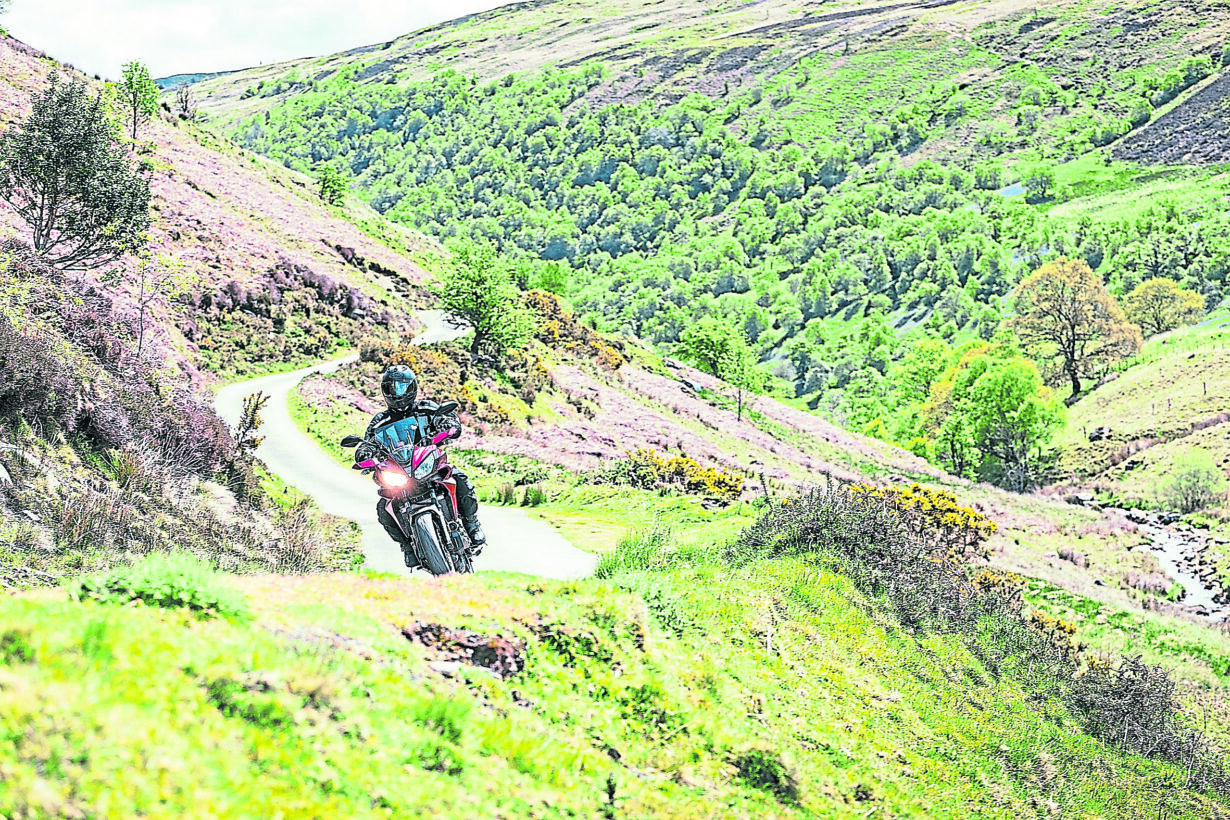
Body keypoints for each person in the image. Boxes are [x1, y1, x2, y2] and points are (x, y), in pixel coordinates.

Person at [360, 364, 486, 567]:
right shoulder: (379, 422)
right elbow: (367, 444)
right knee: (384, 508)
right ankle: (407, 547)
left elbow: (448, 418)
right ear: (384, 391)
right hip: (400, 472)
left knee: (459, 478)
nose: (397, 393)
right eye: (391, 389)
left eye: (401, 387)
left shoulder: (426, 408)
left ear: (412, 388)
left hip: (428, 465)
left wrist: (448, 425)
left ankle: (472, 523)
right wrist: (363, 453)